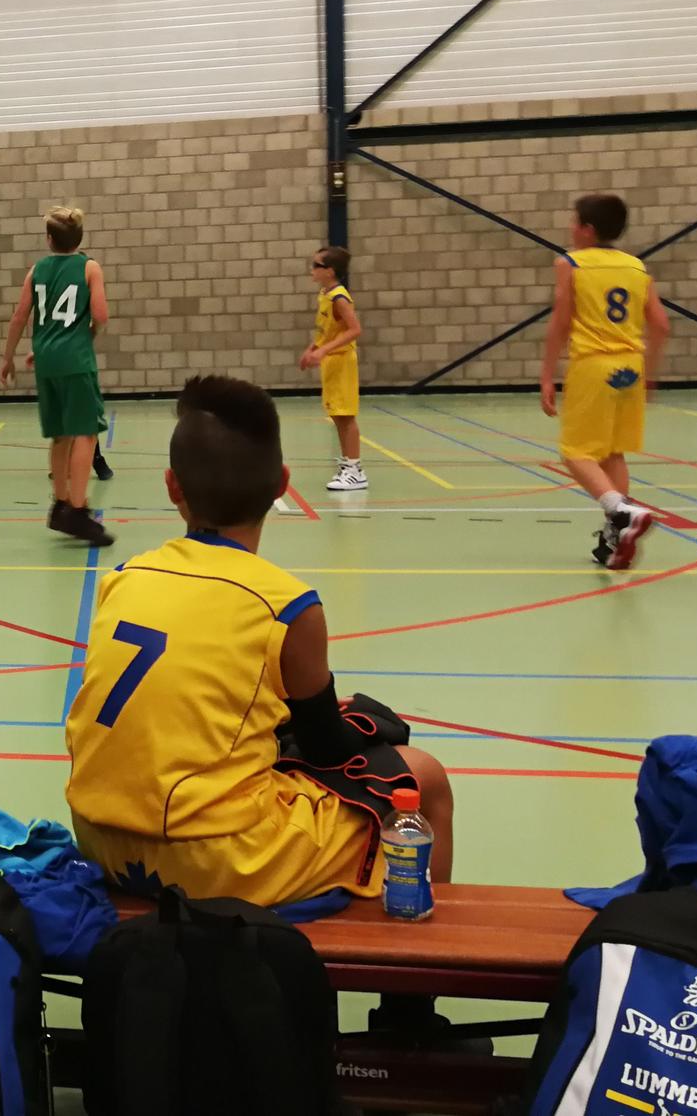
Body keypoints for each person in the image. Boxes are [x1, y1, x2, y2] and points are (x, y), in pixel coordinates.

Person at [66, 374, 455, 906]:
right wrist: (367, 725)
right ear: (282, 484)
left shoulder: (124, 577)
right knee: (425, 778)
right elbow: (326, 747)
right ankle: (423, 954)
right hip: (211, 858)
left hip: (97, 841)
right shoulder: (288, 604)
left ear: (172, 487)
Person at [541, 193, 668, 570]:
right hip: (631, 367)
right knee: (613, 453)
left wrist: (546, 375)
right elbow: (661, 325)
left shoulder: (570, 263)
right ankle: (615, 540)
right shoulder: (637, 267)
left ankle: (621, 511)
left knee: (575, 452)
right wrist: (651, 374)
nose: (570, 227)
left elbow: (561, 322)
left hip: (594, 364)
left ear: (587, 229)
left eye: (574, 221)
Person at [1, 207, 111, 546]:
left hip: (46, 359)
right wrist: (85, 336)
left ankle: (60, 503)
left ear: (49, 239)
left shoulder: (37, 270)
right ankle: (77, 510)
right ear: (80, 237)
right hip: (75, 359)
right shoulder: (89, 267)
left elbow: (20, 316)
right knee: (86, 432)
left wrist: (8, 358)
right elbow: (101, 315)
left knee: (60, 434)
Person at [302, 246, 366, 492]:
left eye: (316, 266)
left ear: (330, 271)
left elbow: (354, 329)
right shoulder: (325, 294)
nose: (312, 270)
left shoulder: (339, 297)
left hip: (342, 361)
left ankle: (355, 470)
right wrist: (313, 348)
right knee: (337, 415)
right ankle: (348, 464)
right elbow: (326, 329)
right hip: (331, 362)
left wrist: (323, 351)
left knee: (346, 416)